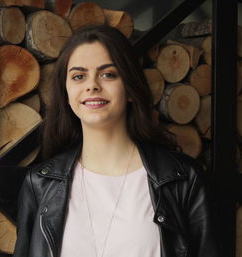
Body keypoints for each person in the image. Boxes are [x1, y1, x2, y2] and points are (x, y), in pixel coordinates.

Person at [13, 25, 218, 257]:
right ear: (66, 92)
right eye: (79, 76)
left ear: (130, 89)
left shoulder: (182, 179)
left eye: (108, 74)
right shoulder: (40, 184)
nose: (92, 85)